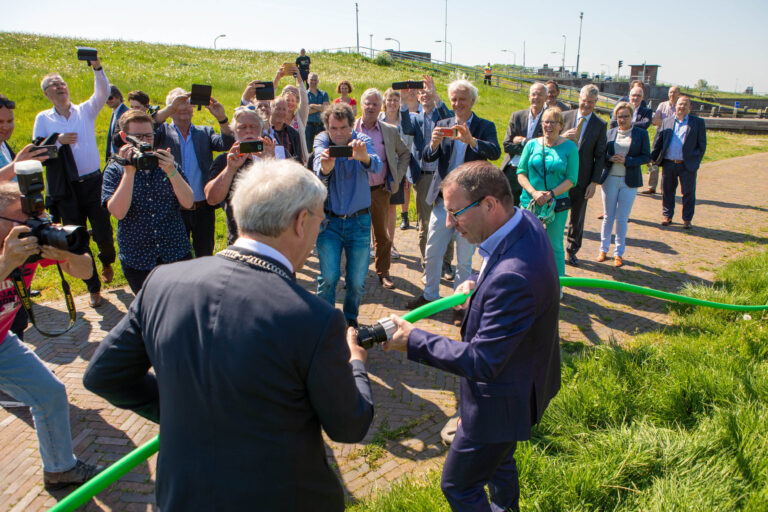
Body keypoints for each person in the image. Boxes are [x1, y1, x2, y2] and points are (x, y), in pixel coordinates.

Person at [84, 159, 374, 512]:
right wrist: (356, 364)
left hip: (182, 497)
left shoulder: (162, 282)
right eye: (320, 221)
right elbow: (349, 426)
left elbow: (104, 376)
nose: (318, 233)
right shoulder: (315, 318)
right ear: (301, 222)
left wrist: (184, 409)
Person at [384, 161, 561, 512]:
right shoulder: (525, 221)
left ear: (490, 205)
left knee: (459, 486)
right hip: (522, 385)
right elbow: (504, 274)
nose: (450, 223)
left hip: (499, 401)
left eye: (455, 213)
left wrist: (413, 339)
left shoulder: (513, 278)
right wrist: (478, 285)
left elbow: (483, 360)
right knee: (499, 460)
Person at [0, 181, 102, 489]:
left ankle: (60, 470)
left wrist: (65, 252)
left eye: (37, 217)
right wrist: (6, 263)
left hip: (2, 341)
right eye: (25, 218)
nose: (34, 225)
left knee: (49, 394)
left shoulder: (29, 243)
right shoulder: (14, 250)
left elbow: (86, 271)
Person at [407, 79, 501, 326]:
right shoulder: (443, 123)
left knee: (464, 258)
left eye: (462, 99)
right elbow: (428, 157)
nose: (457, 103)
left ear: (472, 101)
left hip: (471, 205)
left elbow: (495, 152)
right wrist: (433, 144)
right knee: (432, 250)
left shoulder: (484, 126)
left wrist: (471, 141)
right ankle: (429, 295)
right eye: (454, 99)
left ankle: (461, 304)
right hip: (443, 202)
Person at [33, 59, 116, 307]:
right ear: (47, 93)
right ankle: (93, 288)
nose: (60, 87)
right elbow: (38, 152)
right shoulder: (43, 119)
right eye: (54, 85)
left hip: (94, 182)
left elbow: (102, 93)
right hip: (66, 188)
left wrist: (97, 68)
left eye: (62, 83)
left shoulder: (85, 111)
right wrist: (58, 141)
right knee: (78, 236)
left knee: (103, 232)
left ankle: (107, 260)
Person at [101, 109, 195, 293]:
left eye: (148, 136)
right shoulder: (114, 169)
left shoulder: (167, 163)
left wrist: (171, 171)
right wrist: (129, 172)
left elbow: (188, 202)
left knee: (182, 303)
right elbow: (118, 212)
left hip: (175, 251)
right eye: (138, 137)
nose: (144, 142)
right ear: (124, 137)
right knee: (149, 308)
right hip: (138, 258)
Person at [312, 103, 381, 327]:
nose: (339, 133)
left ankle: (350, 320)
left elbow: (376, 165)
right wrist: (325, 167)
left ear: (352, 126)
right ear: (327, 127)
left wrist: (364, 157)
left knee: (356, 281)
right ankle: (325, 324)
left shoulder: (362, 140)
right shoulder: (322, 140)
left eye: (343, 128)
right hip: (329, 222)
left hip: (359, 222)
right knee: (328, 277)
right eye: (333, 128)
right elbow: (317, 168)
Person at [152, 87, 234, 257]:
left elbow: (226, 143)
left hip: (202, 207)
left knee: (204, 253)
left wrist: (222, 118)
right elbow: (150, 126)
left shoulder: (204, 132)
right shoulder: (162, 133)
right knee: (176, 255)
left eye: (187, 103)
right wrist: (169, 109)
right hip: (174, 208)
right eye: (178, 103)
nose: (184, 107)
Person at [397, 76, 453, 277]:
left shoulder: (443, 117)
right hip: (423, 177)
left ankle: (446, 263)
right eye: (422, 93)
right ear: (418, 98)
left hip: (444, 176)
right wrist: (403, 100)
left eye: (428, 92)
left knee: (448, 221)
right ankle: (426, 264)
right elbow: (405, 128)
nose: (425, 95)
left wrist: (436, 95)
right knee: (425, 224)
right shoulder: (415, 119)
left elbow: (451, 119)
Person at [355, 88, 410, 289]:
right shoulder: (351, 128)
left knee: (382, 236)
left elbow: (405, 154)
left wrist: (396, 177)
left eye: (375, 104)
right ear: (361, 105)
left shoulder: (389, 130)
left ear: (381, 107)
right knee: (356, 236)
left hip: (380, 190)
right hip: (355, 192)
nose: (371, 107)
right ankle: (355, 276)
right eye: (367, 103)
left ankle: (383, 273)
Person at [517, 107, 578, 280]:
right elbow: (521, 172)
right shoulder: (531, 145)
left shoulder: (570, 147)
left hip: (557, 204)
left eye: (553, 122)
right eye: (545, 122)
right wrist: (534, 193)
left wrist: (550, 194)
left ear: (561, 125)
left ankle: (557, 284)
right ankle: (526, 280)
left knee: (554, 245)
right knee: (527, 243)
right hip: (530, 202)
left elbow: (571, 179)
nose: (548, 125)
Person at [205, 106, 275, 244]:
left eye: (253, 126)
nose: (248, 131)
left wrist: (271, 163)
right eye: (242, 127)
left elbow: (293, 197)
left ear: (261, 130)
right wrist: (230, 169)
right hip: (239, 240)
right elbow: (212, 199)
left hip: (273, 239)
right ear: (234, 133)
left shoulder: (277, 154)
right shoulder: (225, 160)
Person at [597, 102, 651, 266]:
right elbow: (601, 154)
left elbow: (646, 156)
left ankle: (618, 253)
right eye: (619, 116)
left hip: (629, 180)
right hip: (610, 179)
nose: (622, 119)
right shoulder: (610, 133)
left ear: (632, 116)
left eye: (626, 116)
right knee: (608, 216)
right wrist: (610, 158)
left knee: (622, 218)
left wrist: (628, 160)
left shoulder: (641, 134)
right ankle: (603, 249)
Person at [562, 84, 607, 267]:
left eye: (591, 102)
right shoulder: (564, 117)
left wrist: (594, 183)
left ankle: (572, 250)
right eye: (584, 100)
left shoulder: (600, 125)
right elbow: (550, 140)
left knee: (577, 218)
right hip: (560, 176)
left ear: (596, 102)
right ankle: (550, 248)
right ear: (579, 98)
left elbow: (600, 156)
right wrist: (563, 136)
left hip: (582, 179)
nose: (586, 105)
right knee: (553, 214)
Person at [651, 95, 706, 229]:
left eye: (685, 104)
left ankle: (687, 219)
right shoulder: (667, 122)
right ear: (675, 106)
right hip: (669, 163)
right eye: (680, 104)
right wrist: (652, 157)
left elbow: (702, 144)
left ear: (689, 107)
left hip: (687, 164)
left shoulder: (698, 122)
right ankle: (667, 215)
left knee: (688, 193)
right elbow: (659, 141)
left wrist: (696, 160)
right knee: (667, 191)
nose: (682, 107)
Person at [501, 82, 547, 206]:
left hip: (534, 174)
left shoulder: (548, 120)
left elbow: (545, 148)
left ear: (546, 98)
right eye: (533, 94)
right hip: (512, 171)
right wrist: (533, 147)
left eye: (540, 95)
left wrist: (523, 141)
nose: (536, 97)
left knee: (529, 211)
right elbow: (506, 145)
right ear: (529, 96)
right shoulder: (517, 116)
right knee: (507, 209)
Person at [0, 94, 50, 182]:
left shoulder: (3, 145)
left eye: (10, 121)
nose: (6, 127)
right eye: (0, 122)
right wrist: (16, 165)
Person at [641, 85, 680, 195]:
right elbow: (654, 121)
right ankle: (651, 186)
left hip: (674, 136)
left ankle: (665, 188)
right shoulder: (662, 105)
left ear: (679, 94)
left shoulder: (679, 107)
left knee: (668, 161)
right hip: (660, 135)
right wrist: (669, 123)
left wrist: (663, 122)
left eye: (675, 92)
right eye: (670, 92)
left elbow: (679, 122)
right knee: (654, 160)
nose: (672, 94)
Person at [278, 69, 310, 164]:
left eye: (293, 100)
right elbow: (270, 101)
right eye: (287, 100)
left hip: (299, 161)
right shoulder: (277, 119)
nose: (290, 103)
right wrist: (277, 78)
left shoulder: (300, 118)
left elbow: (305, 100)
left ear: (296, 104)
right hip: (281, 161)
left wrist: (299, 76)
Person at [268, 96, 303, 162]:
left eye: (284, 109)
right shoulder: (265, 131)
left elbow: (298, 160)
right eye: (278, 109)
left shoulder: (293, 134)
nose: (281, 112)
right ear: (270, 109)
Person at [306, 72, 330, 151]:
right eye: (311, 80)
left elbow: (326, 109)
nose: (313, 82)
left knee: (323, 147)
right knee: (308, 149)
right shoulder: (305, 94)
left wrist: (312, 105)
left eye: (315, 80)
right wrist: (320, 107)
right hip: (309, 125)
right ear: (307, 81)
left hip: (321, 124)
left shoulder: (323, 94)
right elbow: (306, 111)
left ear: (318, 81)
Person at [105, 84, 129, 161]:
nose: (107, 101)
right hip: (113, 156)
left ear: (118, 96)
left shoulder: (125, 113)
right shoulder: (115, 112)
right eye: (105, 98)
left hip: (121, 156)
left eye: (110, 98)